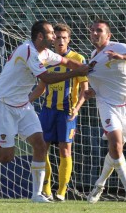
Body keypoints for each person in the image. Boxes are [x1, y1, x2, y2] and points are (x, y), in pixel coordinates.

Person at [0, 20, 89, 203]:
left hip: (23, 105)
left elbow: (66, 61)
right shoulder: (28, 51)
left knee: (40, 145)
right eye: (51, 34)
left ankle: (36, 195)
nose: (54, 37)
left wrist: (88, 67)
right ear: (40, 36)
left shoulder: (45, 52)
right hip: (4, 105)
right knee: (5, 157)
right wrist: (76, 73)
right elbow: (47, 78)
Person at [84, 19, 126, 204]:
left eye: (99, 30)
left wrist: (124, 57)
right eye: (92, 30)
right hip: (106, 104)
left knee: (116, 149)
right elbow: (102, 84)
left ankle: (99, 184)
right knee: (115, 144)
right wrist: (91, 92)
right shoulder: (92, 56)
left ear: (108, 35)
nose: (95, 33)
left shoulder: (118, 47)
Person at [29, 23, 88, 201]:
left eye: (64, 37)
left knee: (65, 150)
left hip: (66, 112)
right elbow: (41, 87)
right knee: (41, 149)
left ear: (69, 39)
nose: (61, 40)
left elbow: (85, 89)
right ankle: (46, 189)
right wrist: (27, 100)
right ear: (53, 39)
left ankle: (61, 192)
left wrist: (76, 110)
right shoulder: (46, 58)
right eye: (58, 37)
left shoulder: (77, 58)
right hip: (47, 111)